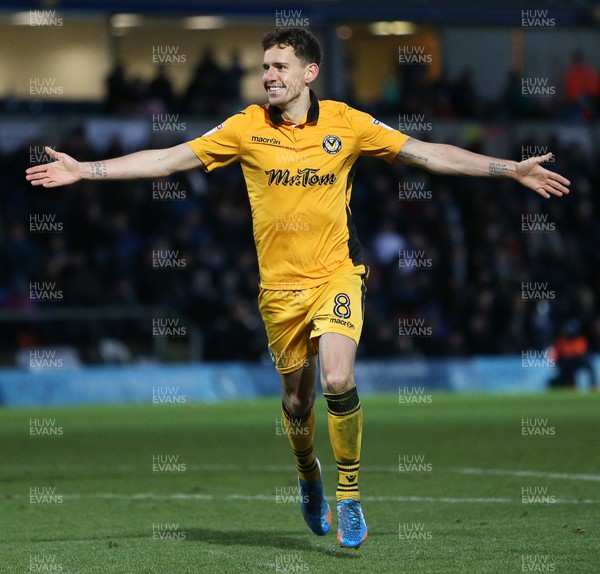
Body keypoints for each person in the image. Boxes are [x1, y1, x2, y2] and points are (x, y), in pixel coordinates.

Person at [25, 27, 571, 549]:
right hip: (279, 294)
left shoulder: (347, 123)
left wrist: (508, 170)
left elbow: (428, 153)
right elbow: (167, 159)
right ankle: (309, 473)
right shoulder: (245, 128)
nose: (268, 75)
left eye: (279, 66)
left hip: (336, 276)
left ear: (309, 72)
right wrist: (86, 170)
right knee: (297, 399)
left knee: (338, 376)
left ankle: (351, 494)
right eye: (264, 67)